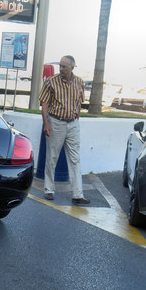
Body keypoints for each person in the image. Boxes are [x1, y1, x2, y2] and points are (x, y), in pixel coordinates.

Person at [38, 55, 90, 205]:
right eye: (60, 66)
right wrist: (46, 124)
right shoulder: (51, 82)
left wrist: (76, 118)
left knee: (75, 159)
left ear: (72, 68)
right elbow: (45, 104)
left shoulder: (79, 82)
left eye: (64, 66)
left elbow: (79, 103)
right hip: (56, 122)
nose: (61, 69)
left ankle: (77, 194)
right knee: (52, 157)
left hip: (73, 124)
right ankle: (49, 189)